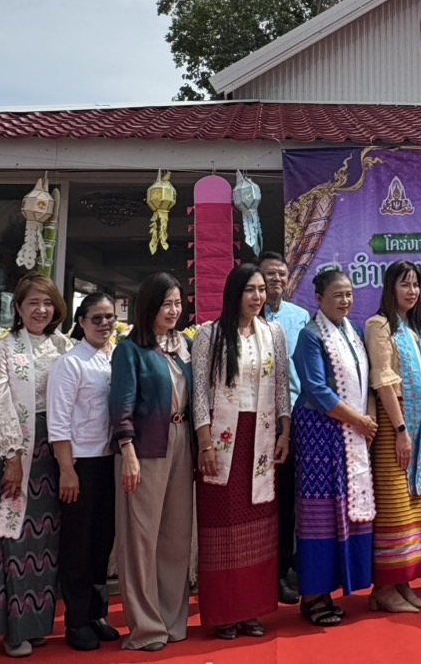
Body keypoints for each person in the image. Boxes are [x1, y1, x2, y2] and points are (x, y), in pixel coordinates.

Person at [192, 264, 292, 639]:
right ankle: (223, 613)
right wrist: (204, 442)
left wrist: (286, 431)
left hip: (262, 438)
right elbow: (200, 392)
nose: (258, 297)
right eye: (250, 289)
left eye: (262, 290)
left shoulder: (274, 333)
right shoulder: (210, 335)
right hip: (223, 439)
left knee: (259, 526)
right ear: (234, 293)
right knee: (225, 529)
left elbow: (282, 384)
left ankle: (251, 609)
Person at [0, 275, 74, 657]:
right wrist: (11, 456)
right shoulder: (4, 350)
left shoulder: (64, 346)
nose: (40, 310)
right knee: (10, 537)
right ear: (18, 307)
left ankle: (36, 624)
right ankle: (10, 628)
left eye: (47, 304)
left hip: (54, 450)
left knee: (45, 541)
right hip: (13, 449)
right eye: (32, 303)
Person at [109, 272, 195, 650]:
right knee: (141, 537)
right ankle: (146, 626)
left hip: (182, 441)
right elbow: (121, 404)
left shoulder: (181, 347)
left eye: (177, 303)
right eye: (166, 304)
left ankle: (173, 619)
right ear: (149, 306)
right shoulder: (131, 350)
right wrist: (127, 450)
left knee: (176, 536)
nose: (173, 311)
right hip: (145, 447)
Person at [292, 267, 378, 628]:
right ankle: (313, 595)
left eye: (349, 294)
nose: (345, 301)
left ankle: (336, 586)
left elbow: (369, 382)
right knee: (320, 515)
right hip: (318, 434)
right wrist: (358, 421)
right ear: (319, 299)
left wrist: (367, 420)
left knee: (345, 510)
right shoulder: (310, 336)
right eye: (337, 295)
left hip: (352, 433)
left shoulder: (355, 333)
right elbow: (316, 389)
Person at [364, 260, 421, 612]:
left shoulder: (420, 327)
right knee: (394, 507)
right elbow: (383, 381)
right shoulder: (379, 326)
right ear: (389, 288)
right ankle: (383, 588)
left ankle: (404, 581)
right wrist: (400, 432)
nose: (411, 291)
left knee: (416, 506)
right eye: (404, 284)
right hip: (395, 422)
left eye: (416, 284)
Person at [47, 292, 120, 651]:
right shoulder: (71, 363)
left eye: (110, 317)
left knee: (101, 541)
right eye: (97, 318)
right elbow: (58, 421)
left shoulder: (111, 359)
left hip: (109, 459)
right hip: (80, 463)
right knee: (77, 543)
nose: (105, 324)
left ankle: (97, 613)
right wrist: (67, 469)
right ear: (81, 321)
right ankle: (76, 620)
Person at [258, 249, 308, 605]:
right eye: (268, 275)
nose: (275, 281)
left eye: (280, 275)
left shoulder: (300, 316)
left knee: (288, 498)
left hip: (291, 415)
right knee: (259, 498)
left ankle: (281, 571)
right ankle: (257, 570)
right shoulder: (245, 315)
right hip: (253, 416)